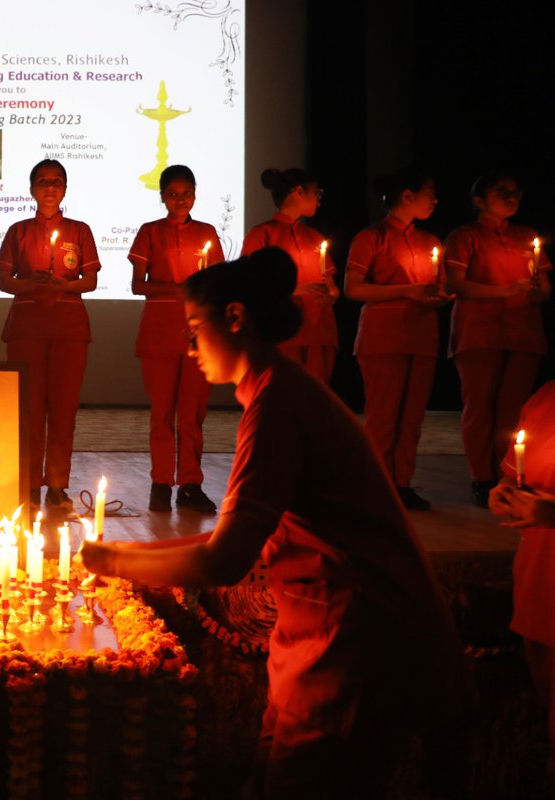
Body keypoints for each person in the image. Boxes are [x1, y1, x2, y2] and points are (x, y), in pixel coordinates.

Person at [80, 248, 471, 799]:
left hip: (357, 640)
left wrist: (116, 560)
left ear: (235, 318)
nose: (189, 347)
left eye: (196, 327)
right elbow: (244, 537)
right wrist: (125, 556)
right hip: (327, 636)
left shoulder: (278, 405)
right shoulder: (275, 392)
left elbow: (225, 559)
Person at [0, 159, 100, 516]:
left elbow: (90, 281)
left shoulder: (80, 230)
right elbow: (5, 281)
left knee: (63, 409)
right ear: (31, 189)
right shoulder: (18, 230)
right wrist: (32, 283)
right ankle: (29, 484)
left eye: (57, 182)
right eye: (42, 181)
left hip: (69, 327)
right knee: (29, 409)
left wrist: (64, 284)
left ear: (65, 189)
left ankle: (56, 485)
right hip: (26, 327)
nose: (50, 188)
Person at [343, 168, 451, 511]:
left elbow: (442, 287)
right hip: (382, 336)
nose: (435, 200)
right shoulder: (371, 237)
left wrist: (437, 296)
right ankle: (374, 486)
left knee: (412, 417)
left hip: (421, 335)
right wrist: (408, 290)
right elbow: (354, 288)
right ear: (407, 195)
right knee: (383, 416)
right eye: (429, 192)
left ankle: (401, 483)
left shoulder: (431, 242)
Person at [490, 294, 555, 798]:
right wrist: (505, 495)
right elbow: (518, 475)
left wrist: (554, 514)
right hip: (540, 593)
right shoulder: (547, 398)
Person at [446, 171, 553, 507]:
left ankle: (507, 476)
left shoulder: (527, 236)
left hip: (522, 332)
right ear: (479, 200)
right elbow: (456, 284)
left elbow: (545, 289)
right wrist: (507, 290)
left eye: (516, 192)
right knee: (479, 409)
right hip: (479, 332)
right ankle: (482, 477)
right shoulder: (465, 236)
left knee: (513, 412)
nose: (512, 198)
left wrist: (535, 292)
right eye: (502, 192)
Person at [128, 164, 224, 513]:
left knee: (192, 415)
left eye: (186, 193)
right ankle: (160, 483)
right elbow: (138, 284)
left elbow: (218, 284)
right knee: (162, 413)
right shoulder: (150, 232)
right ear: (163, 197)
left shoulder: (208, 232)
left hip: (199, 335)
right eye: (173, 193)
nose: (180, 199)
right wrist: (177, 288)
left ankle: (190, 484)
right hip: (159, 332)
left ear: (195, 195)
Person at [242, 167, 339, 384]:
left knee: (316, 401)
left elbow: (332, 285)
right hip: (281, 334)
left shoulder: (314, 237)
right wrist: (296, 289)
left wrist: (330, 293)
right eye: (316, 192)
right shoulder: (262, 234)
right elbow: (249, 284)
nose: (319, 199)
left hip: (318, 332)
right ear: (298, 191)